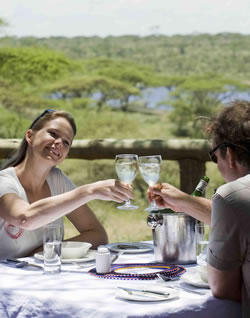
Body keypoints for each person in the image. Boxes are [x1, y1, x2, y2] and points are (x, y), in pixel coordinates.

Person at [148, 99, 250, 317]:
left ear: (229, 155)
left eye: (214, 156)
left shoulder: (232, 195)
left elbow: (223, 289)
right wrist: (184, 201)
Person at [0, 109, 133, 259]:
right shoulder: (4, 181)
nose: (59, 143)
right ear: (30, 136)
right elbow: (24, 218)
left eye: (66, 142)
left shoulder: (57, 180)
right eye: (53, 134)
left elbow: (98, 235)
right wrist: (90, 191)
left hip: (45, 275)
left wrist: (43, 252)